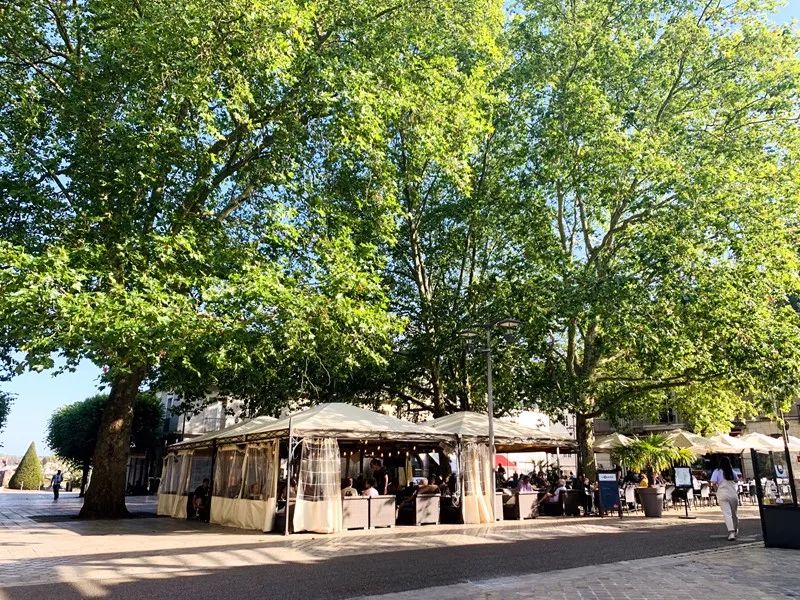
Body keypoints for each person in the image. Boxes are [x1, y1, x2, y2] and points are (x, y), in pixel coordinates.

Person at [711, 457, 740, 540]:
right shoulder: (732, 471)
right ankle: (735, 529)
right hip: (732, 493)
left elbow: (713, 482)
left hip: (722, 493)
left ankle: (731, 532)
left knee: (727, 513)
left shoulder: (717, 471)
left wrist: (717, 491)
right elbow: (737, 480)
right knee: (734, 513)